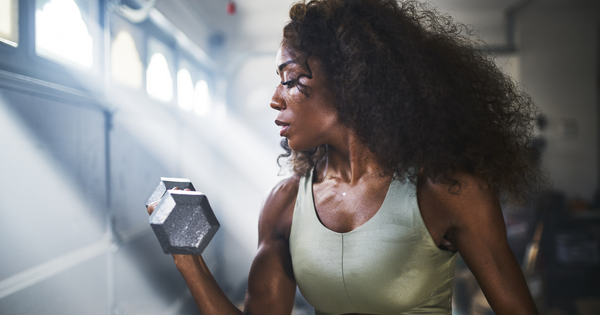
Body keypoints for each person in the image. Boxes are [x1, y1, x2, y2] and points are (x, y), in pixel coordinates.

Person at [147, 0, 546, 314]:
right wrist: (188, 257)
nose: (274, 98)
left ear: (350, 81)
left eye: (290, 79)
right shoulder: (284, 204)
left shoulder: (446, 190)